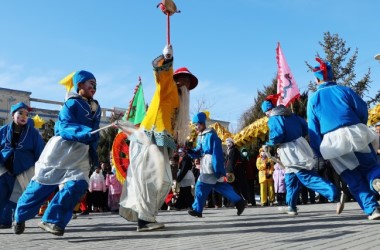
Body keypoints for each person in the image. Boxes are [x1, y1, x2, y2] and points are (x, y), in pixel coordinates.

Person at [118, 44, 198, 232]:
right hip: (148, 139)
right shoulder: (168, 86)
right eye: (183, 79)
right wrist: (168, 58)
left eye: (188, 82)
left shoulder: (180, 102)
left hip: (158, 143)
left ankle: (146, 217)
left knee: (162, 181)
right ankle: (145, 220)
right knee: (152, 180)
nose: (186, 84)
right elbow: (162, 76)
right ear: (176, 80)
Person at [13, 70, 101, 235]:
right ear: (80, 84)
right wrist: (83, 132)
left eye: (96, 84)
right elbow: (63, 126)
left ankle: (52, 220)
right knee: (40, 187)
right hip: (61, 150)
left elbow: (94, 134)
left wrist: (94, 155)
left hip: (81, 153)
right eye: (91, 82)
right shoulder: (71, 104)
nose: (94, 86)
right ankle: (19, 215)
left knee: (78, 185)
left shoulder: (96, 107)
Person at [307, 58, 380, 220]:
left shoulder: (313, 99)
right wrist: (359, 124)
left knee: (351, 176)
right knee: (370, 166)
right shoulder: (344, 90)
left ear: (318, 79)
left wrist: (319, 153)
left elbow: (313, 128)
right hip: (355, 131)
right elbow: (362, 109)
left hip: (332, 142)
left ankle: (372, 209)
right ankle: (377, 180)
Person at [261, 94, 344, 216]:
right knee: (290, 179)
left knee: (306, 177)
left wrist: (269, 143)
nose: (266, 115)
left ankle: (334, 194)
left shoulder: (274, 118)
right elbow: (306, 127)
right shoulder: (292, 115)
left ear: (268, 110)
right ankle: (291, 206)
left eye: (265, 113)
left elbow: (277, 134)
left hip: (289, 150)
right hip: (300, 144)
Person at [187, 112, 246, 218]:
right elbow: (198, 151)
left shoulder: (211, 135)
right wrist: (189, 150)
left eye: (197, 124)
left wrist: (217, 168)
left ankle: (197, 209)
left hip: (210, 165)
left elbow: (217, 153)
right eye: (195, 125)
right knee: (220, 186)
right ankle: (239, 201)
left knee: (200, 186)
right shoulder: (201, 136)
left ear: (202, 123)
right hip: (207, 164)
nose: (196, 127)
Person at [0, 102, 45, 229]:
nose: (24, 116)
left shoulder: (33, 134)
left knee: (17, 198)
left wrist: (39, 171)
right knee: (1, 195)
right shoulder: (3, 131)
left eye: (27, 114)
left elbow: (40, 153)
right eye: (20, 113)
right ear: (13, 115)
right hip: (4, 169)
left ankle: (18, 221)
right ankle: (4, 221)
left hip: (24, 170)